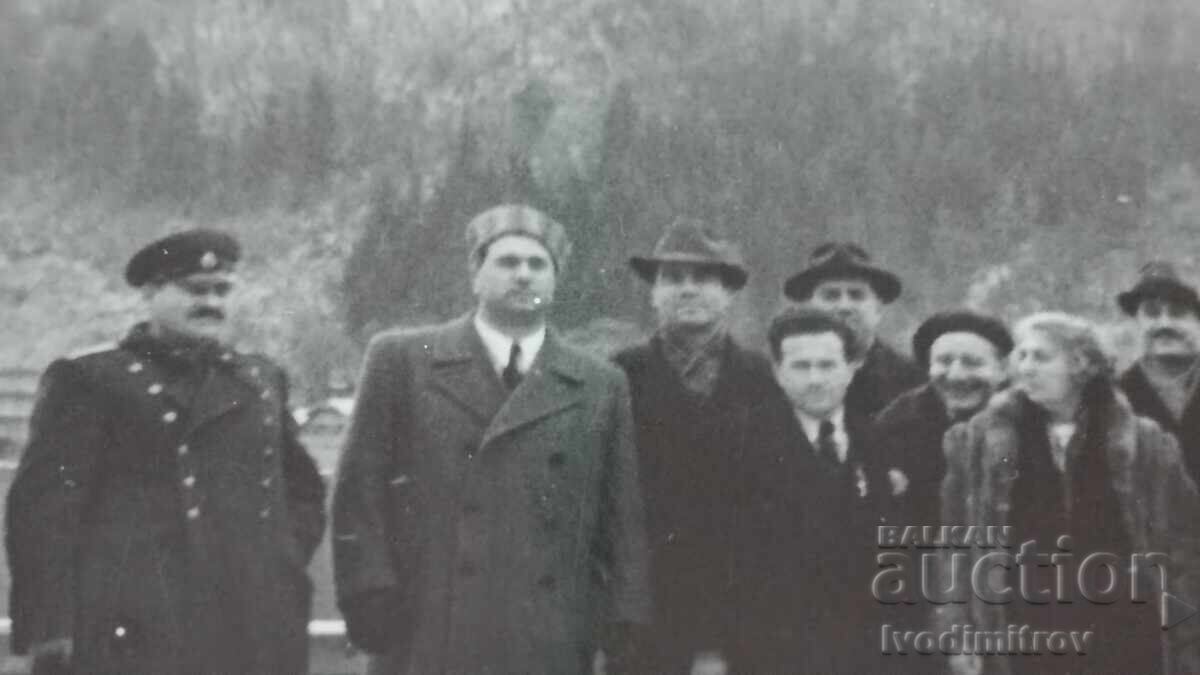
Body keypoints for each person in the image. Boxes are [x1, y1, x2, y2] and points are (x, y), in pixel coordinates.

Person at [332, 204, 650, 675]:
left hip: (549, 637)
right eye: (507, 262)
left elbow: (621, 517)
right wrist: (369, 596)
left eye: (538, 265)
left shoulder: (599, 382)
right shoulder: (402, 360)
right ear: (475, 275)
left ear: (556, 280)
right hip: (428, 629)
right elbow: (359, 494)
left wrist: (625, 619)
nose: (523, 276)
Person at [5, 229, 327, 675]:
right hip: (133, 632)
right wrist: (51, 633)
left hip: (252, 625)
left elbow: (304, 491)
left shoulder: (260, 380)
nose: (212, 303)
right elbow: (43, 516)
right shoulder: (91, 381)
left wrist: (277, 559)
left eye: (222, 290)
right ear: (151, 293)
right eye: (195, 290)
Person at [938, 312, 1200, 675]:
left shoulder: (1146, 443)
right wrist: (958, 633)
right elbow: (955, 544)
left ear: (1082, 365)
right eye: (1022, 357)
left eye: (1041, 357)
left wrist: (1188, 634)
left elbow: (1185, 545)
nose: (1025, 368)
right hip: (1025, 634)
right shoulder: (977, 442)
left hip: (1126, 634)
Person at [613, 218, 791, 674]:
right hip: (645, 612)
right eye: (672, 279)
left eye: (703, 278)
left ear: (729, 292)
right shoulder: (619, 377)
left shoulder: (764, 379)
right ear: (653, 293)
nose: (687, 290)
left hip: (743, 607)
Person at [760, 306, 891, 674]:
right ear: (777, 372)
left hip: (866, 651)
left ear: (851, 368)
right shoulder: (741, 444)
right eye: (801, 366)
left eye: (828, 365)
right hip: (775, 651)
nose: (815, 379)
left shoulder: (879, 440)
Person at [873, 310, 1012, 527]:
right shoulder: (897, 424)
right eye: (944, 361)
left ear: (1003, 370)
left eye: (972, 363)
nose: (956, 375)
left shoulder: (1027, 419)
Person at [784, 242, 925, 418]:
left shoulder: (914, 380)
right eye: (831, 295)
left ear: (878, 309)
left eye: (856, 295)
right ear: (807, 308)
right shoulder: (779, 381)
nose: (844, 306)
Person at [1117, 261, 1200, 482]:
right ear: (1137, 321)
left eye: (1178, 312)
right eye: (1152, 313)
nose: (1164, 323)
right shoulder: (1114, 396)